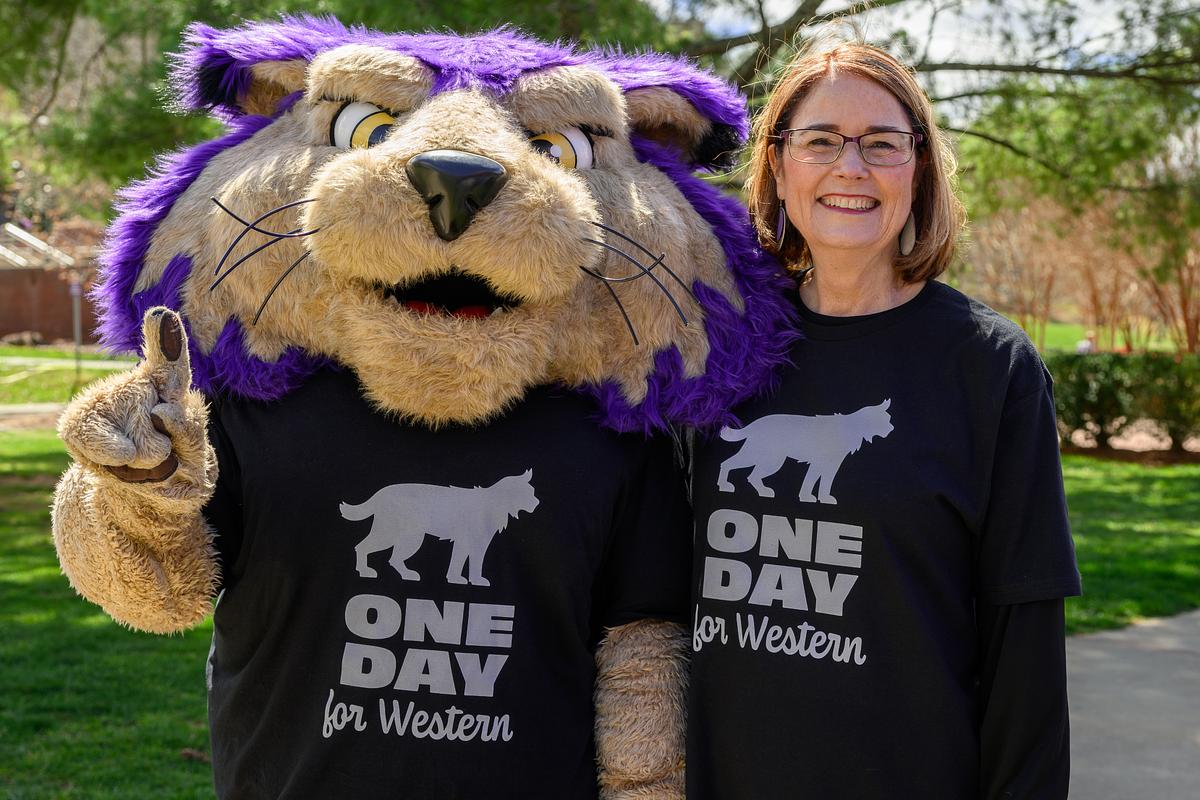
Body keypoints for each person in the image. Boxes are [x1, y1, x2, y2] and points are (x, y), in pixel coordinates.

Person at [686, 40, 1082, 799]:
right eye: (821, 140)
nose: (851, 167)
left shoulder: (990, 368)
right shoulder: (718, 348)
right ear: (776, 163)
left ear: (921, 167)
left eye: (882, 144)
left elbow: (1024, 650)